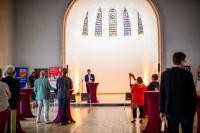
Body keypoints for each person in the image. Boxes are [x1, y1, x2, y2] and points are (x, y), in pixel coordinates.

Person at [160, 52, 197, 133]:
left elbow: (162, 94)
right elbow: (192, 94)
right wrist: (194, 110)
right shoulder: (188, 74)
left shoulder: (165, 74)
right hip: (186, 111)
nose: (185, 62)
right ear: (182, 61)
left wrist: (162, 110)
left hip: (170, 111)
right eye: (185, 61)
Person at [2, 65, 20, 133]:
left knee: (5, 120)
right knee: (13, 120)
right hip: (13, 102)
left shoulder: (3, 80)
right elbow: (17, 93)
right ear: (13, 72)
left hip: (5, 102)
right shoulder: (16, 81)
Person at [0, 68, 11, 133]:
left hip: (4, 106)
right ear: (1, 75)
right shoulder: (4, 85)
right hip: (4, 107)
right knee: (2, 125)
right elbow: (9, 96)